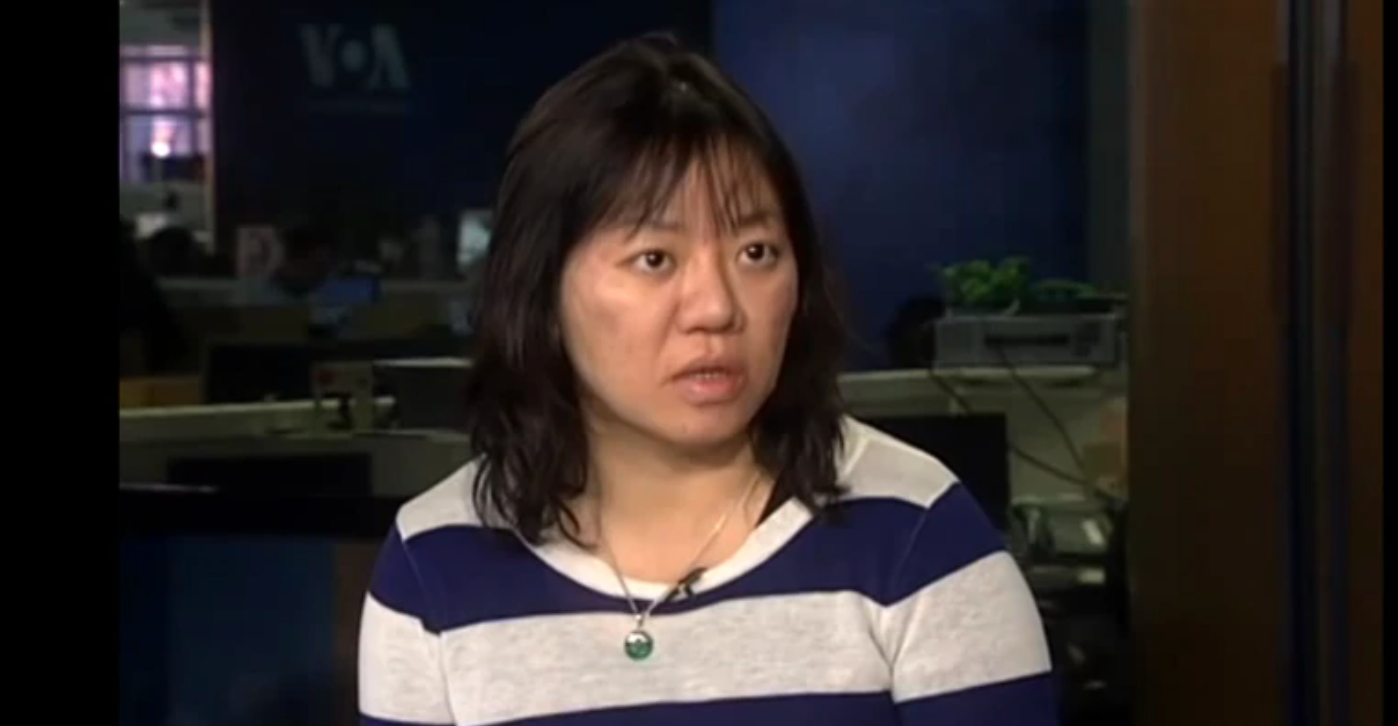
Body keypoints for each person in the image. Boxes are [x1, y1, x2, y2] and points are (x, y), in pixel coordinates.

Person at [358, 34, 1056, 726]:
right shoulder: (433, 564)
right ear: (542, 290)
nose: (718, 307)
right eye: (655, 258)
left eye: (756, 251)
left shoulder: (919, 538)